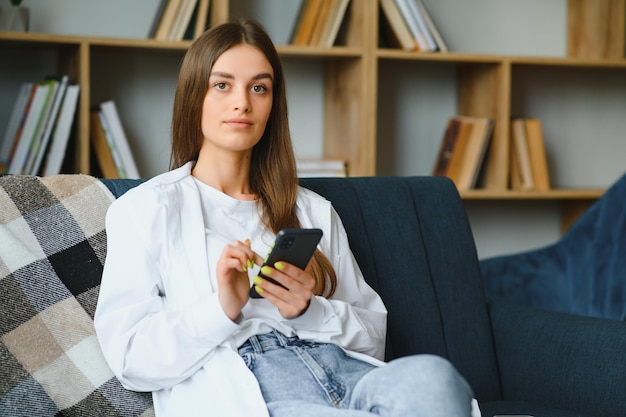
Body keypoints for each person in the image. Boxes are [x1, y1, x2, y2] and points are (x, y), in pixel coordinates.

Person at [94, 20, 480, 417]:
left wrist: (308, 309)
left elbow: (372, 336)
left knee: (438, 379)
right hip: (252, 390)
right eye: (222, 85)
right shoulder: (145, 210)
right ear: (195, 97)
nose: (242, 102)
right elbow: (129, 359)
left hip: (343, 372)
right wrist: (222, 308)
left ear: (272, 104)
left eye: (259, 87)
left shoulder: (312, 210)